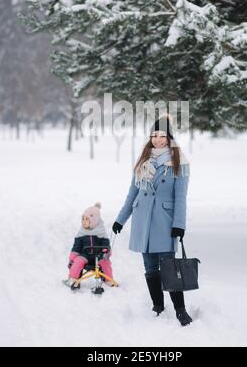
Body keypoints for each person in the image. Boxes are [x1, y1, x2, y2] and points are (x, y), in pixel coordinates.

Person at [112, 115, 192, 326]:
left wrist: (179, 224)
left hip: (164, 221)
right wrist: (120, 219)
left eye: (162, 135)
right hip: (143, 219)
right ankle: (157, 305)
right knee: (149, 266)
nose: (157, 139)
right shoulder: (143, 160)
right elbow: (132, 194)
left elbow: (181, 197)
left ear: (169, 137)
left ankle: (180, 309)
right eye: (154, 135)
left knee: (169, 266)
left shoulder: (179, 161)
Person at [63, 202, 115, 288]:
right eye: (83, 219)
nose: (84, 222)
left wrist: (105, 252)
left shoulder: (101, 232)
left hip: (99, 256)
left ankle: (108, 280)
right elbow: (77, 247)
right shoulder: (81, 233)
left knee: (106, 263)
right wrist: (72, 258)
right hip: (85, 255)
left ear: (94, 220)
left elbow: (106, 244)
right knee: (78, 261)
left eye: (87, 219)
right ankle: (72, 279)